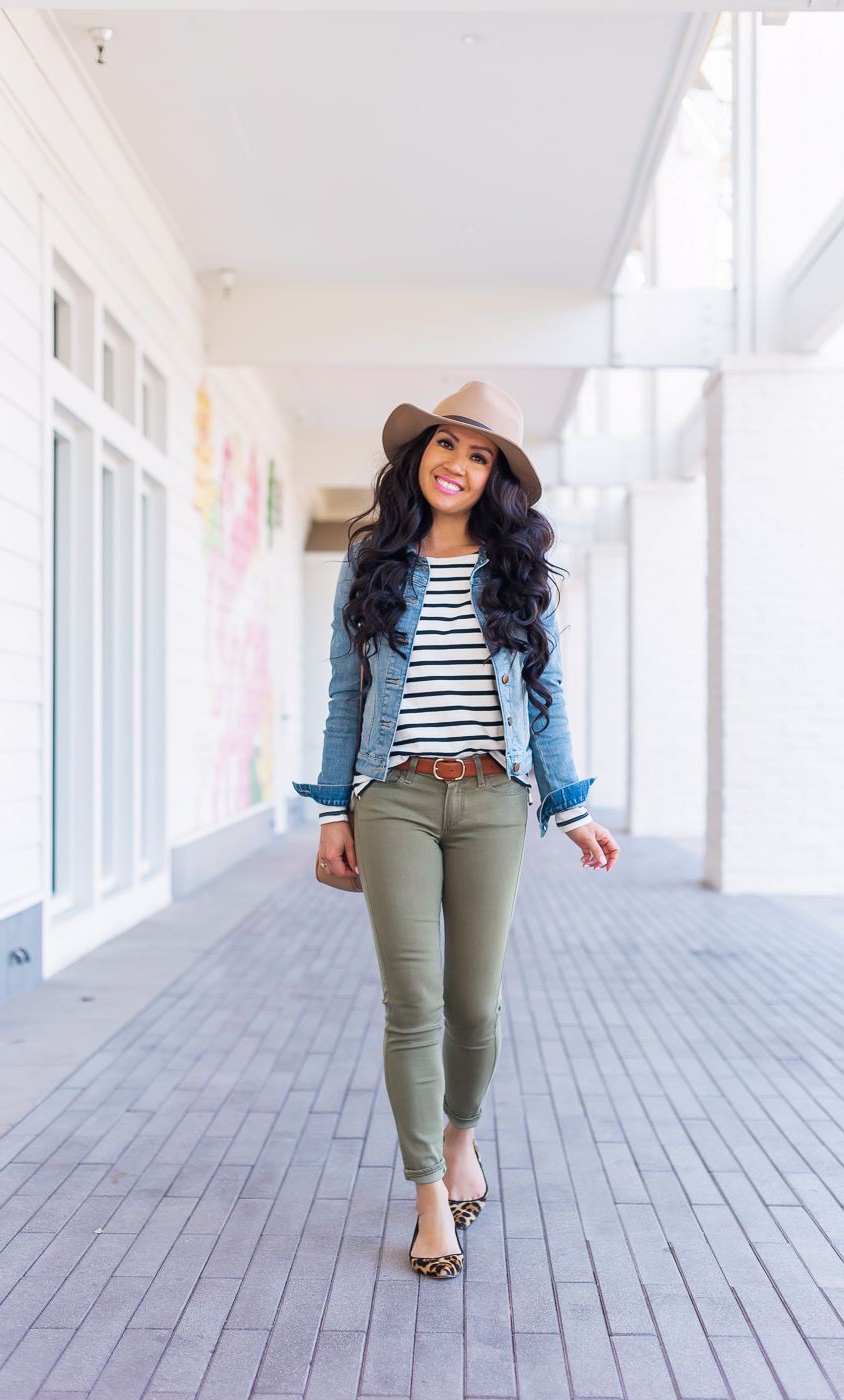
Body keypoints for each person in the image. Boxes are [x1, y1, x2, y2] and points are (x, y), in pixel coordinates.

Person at [293, 381, 620, 1279]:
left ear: (496, 480)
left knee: (473, 1003)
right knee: (412, 1001)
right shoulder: (371, 564)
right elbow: (344, 696)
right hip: (391, 796)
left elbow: (544, 704)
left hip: (491, 802)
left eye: (480, 457)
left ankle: (461, 1134)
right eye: (446, 446)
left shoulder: (519, 577)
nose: (458, 465)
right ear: (418, 459)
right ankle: (428, 1192)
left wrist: (572, 809)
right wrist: (332, 814)